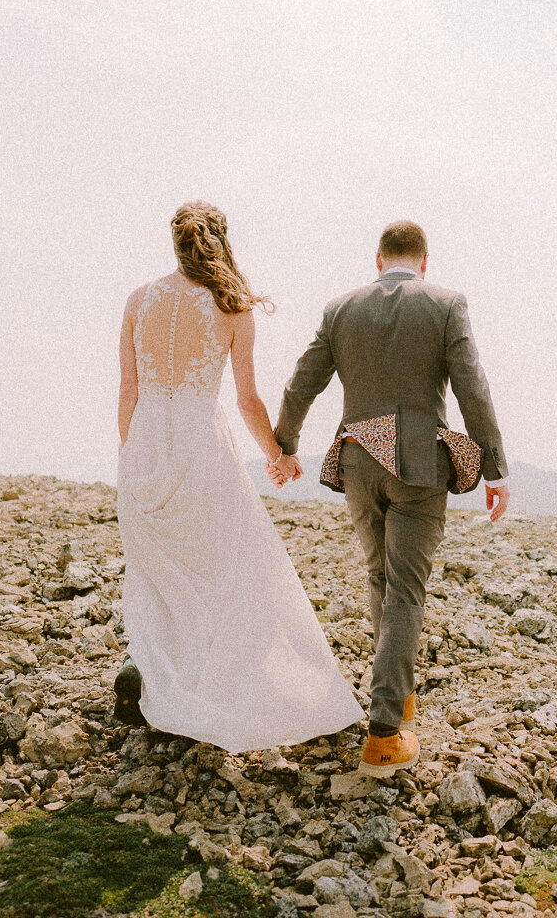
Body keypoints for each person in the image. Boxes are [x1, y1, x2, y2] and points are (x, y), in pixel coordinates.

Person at [113, 201, 363, 752]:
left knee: (158, 571)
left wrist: (132, 456)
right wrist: (279, 453)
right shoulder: (232, 308)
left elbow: (128, 394)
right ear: (221, 242)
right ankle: (209, 684)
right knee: (221, 567)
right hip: (203, 443)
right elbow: (247, 399)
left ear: (174, 243)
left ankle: (153, 671)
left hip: (148, 442)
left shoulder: (138, 300)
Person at [269, 220, 509, 777]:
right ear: (424, 261)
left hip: (357, 461)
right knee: (404, 589)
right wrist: (494, 470)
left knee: (380, 577)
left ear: (378, 260)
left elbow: (301, 385)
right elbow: (472, 387)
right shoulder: (446, 303)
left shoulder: (339, 309)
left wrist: (285, 447)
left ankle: (397, 697)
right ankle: (383, 734)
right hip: (419, 465)